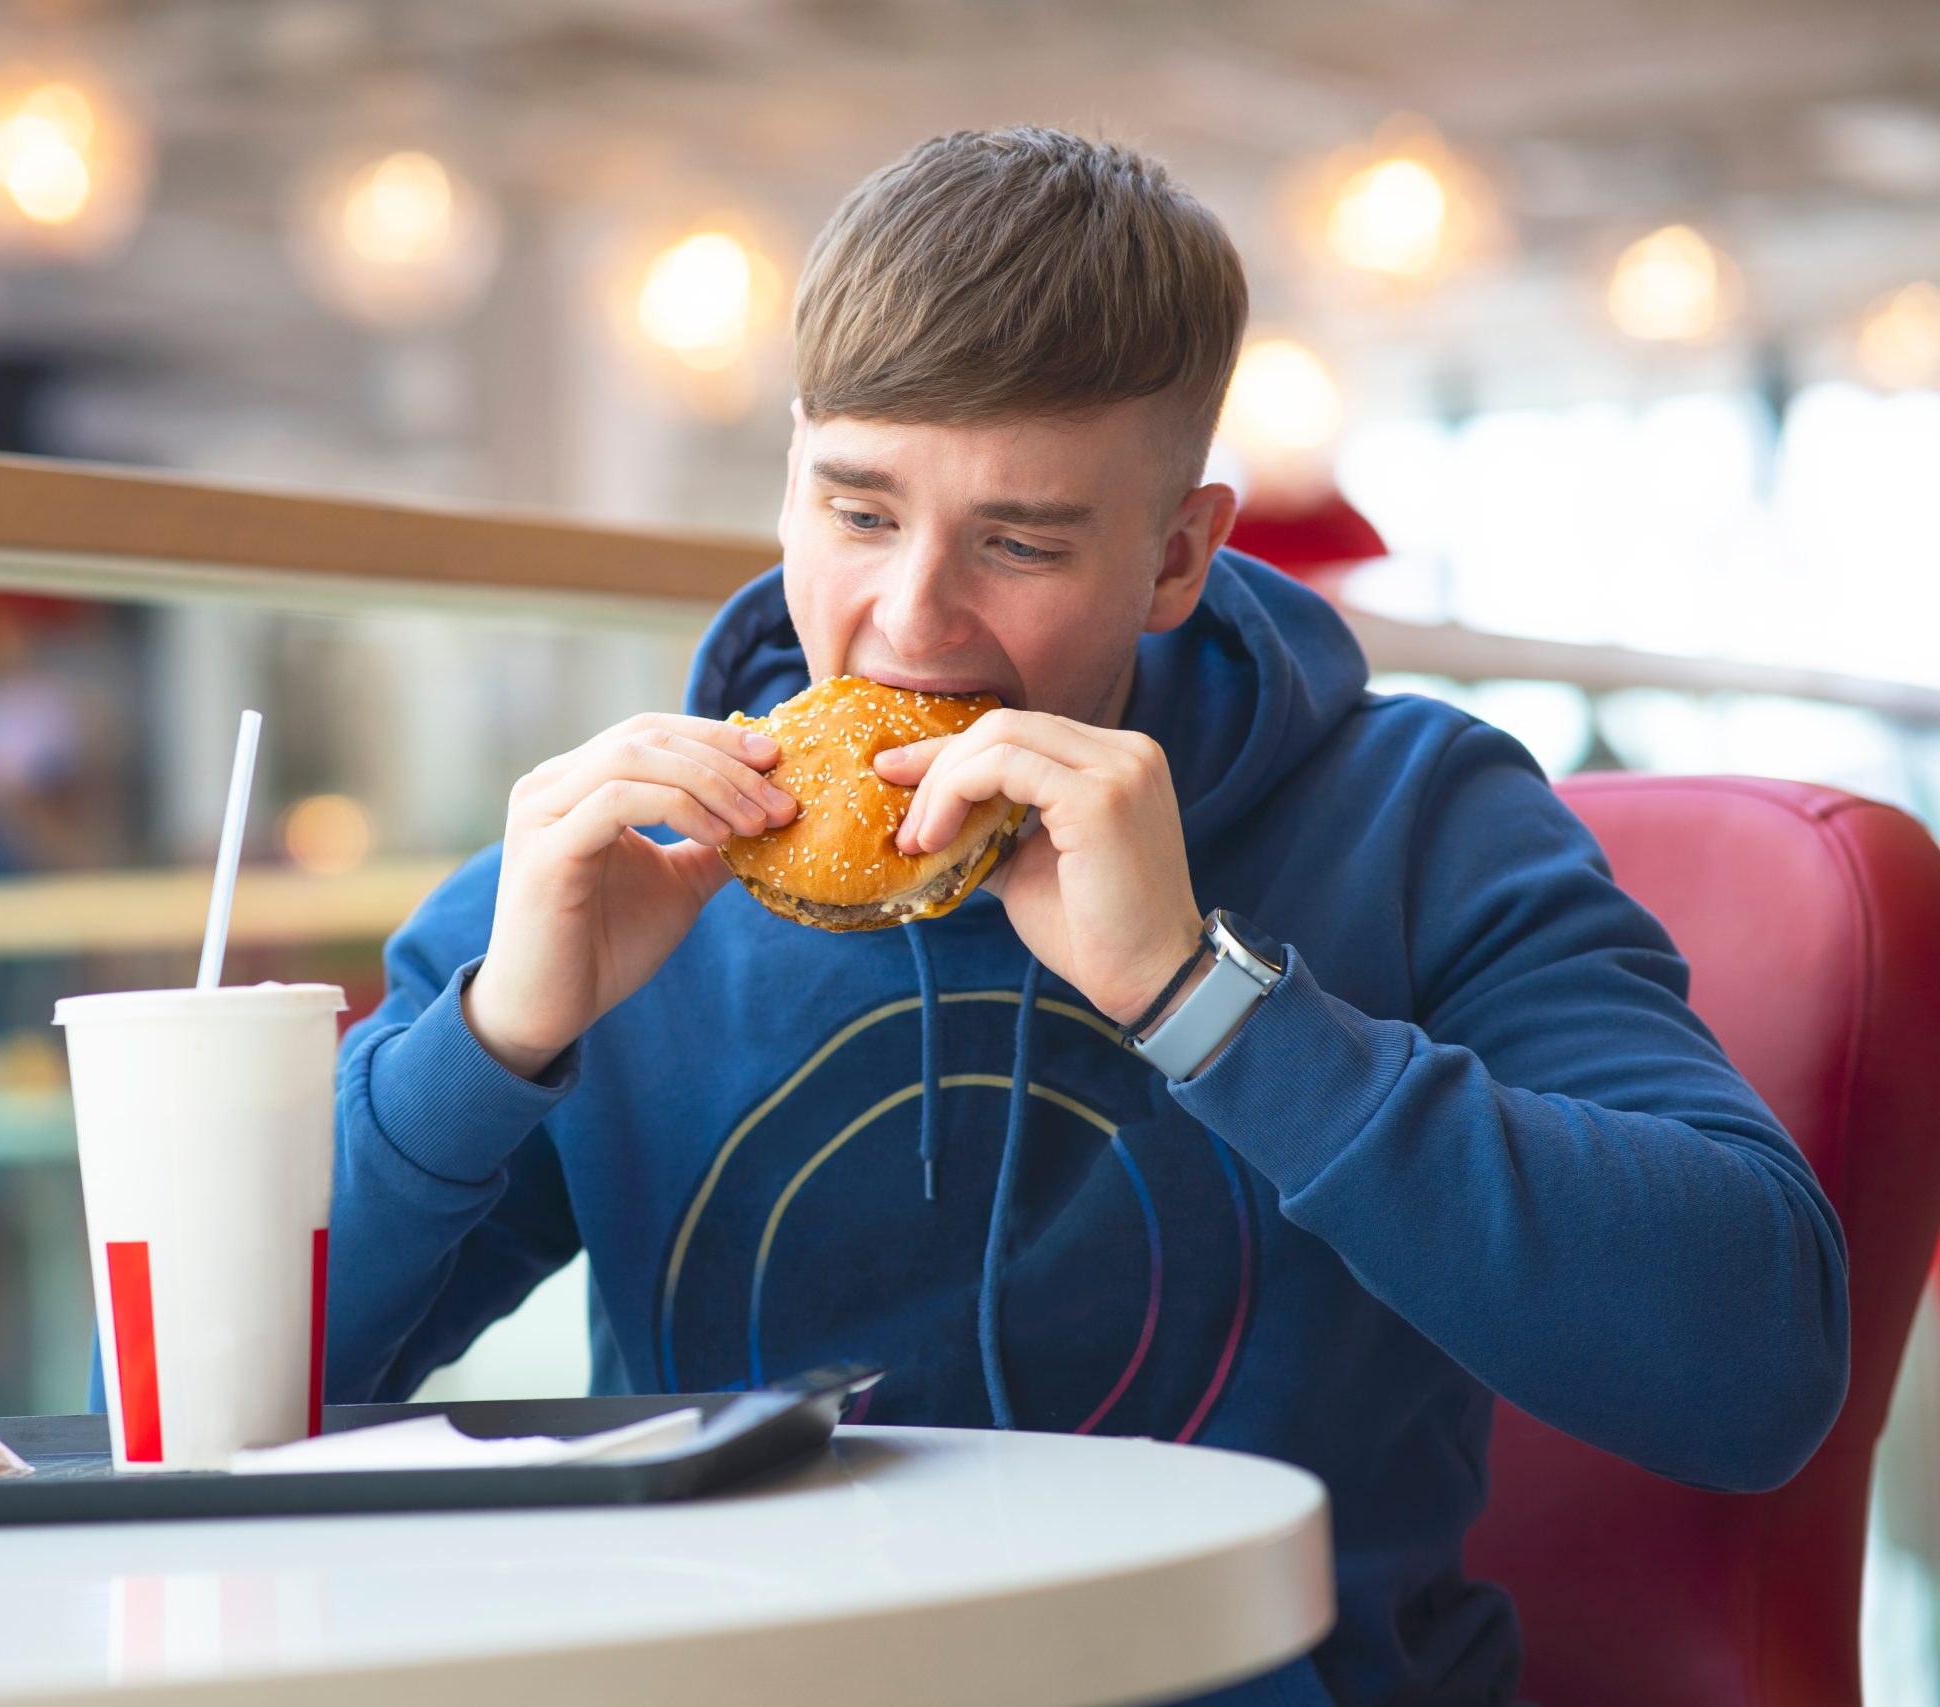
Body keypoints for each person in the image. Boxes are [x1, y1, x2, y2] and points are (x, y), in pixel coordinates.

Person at [324, 127, 1848, 1706]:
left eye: (1021, 541)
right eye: (858, 513)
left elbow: (1760, 1373)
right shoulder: (603, 869)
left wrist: (1208, 1005)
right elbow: (169, 1408)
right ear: (789, 483)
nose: (913, 618)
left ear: (1179, 552)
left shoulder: (1416, 820)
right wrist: (491, 1043)